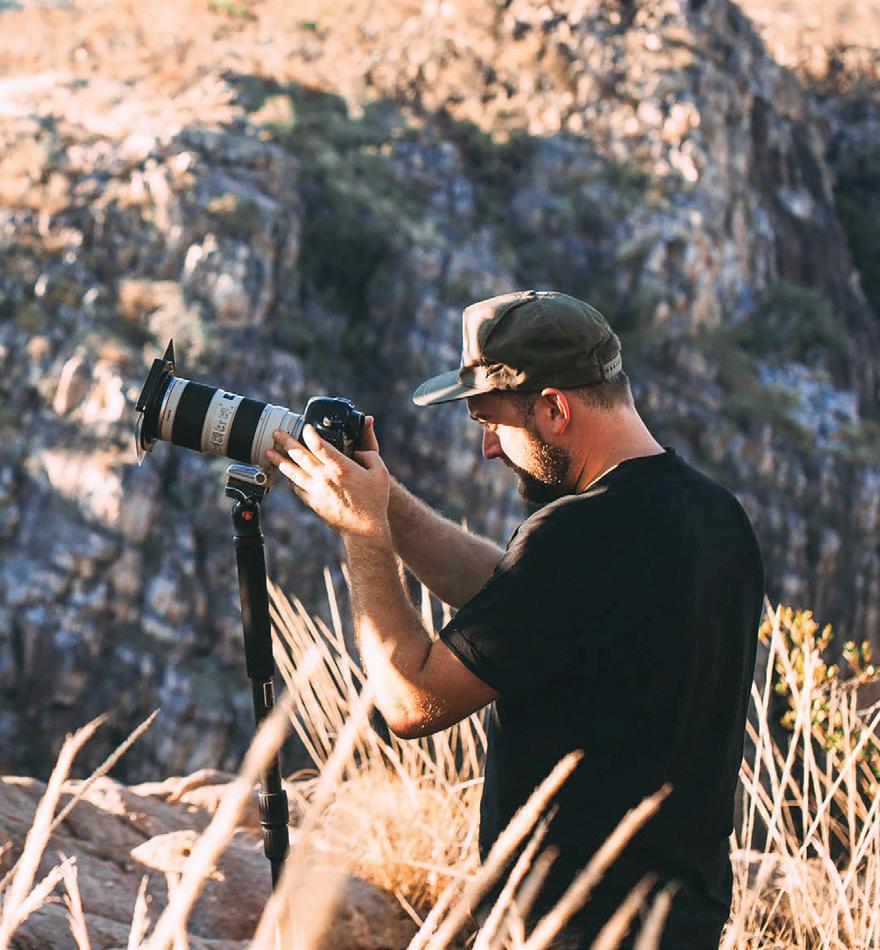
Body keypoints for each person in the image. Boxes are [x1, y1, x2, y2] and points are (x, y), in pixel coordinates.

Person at [266, 290, 765, 949]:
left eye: (492, 423)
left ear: (554, 408)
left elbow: (411, 702)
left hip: (572, 928)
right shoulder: (716, 515)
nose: (488, 449)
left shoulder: (575, 535)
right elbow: (518, 598)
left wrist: (363, 533)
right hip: (682, 924)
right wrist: (386, 505)